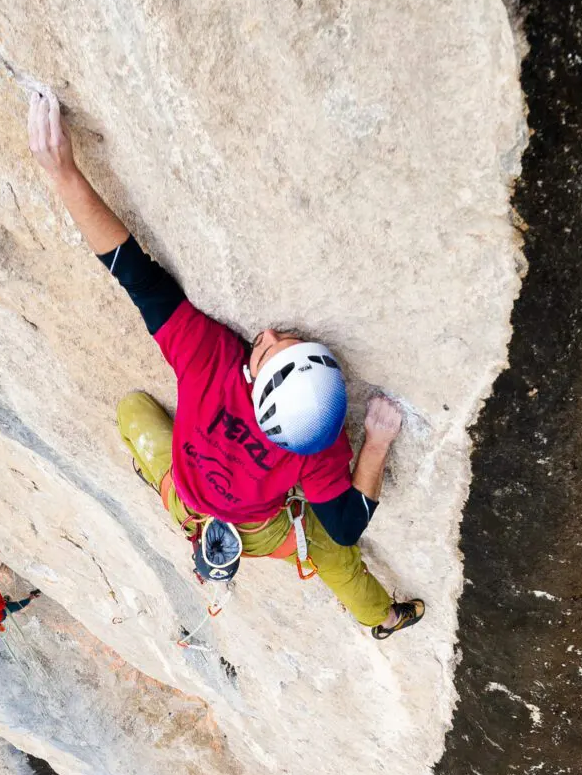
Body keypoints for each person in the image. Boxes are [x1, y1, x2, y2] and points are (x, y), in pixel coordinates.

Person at [26, 92, 424, 639]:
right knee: (335, 559)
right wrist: (376, 441)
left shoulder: (207, 357)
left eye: (268, 347)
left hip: (188, 499)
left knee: (133, 411)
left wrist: (64, 176)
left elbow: (134, 273)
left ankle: (375, 614)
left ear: (252, 375)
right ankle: (384, 617)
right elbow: (347, 523)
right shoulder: (319, 448)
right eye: (284, 342)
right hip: (255, 527)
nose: (270, 334)